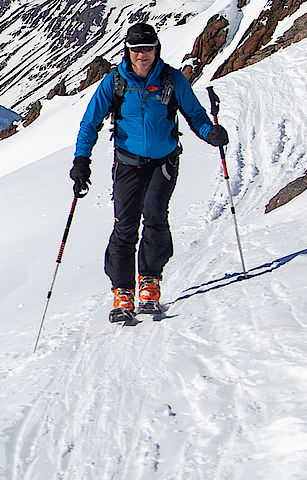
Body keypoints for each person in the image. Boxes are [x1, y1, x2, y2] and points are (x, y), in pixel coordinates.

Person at [69, 21, 229, 322]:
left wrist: (210, 133)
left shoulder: (171, 80)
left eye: (147, 49)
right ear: (127, 51)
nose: (142, 55)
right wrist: (81, 160)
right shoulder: (115, 82)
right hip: (128, 164)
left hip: (163, 162)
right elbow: (90, 123)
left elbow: (195, 115)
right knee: (125, 225)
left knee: (155, 217)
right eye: (136, 49)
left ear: (157, 49)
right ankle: (122, 291)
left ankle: (150, 282)